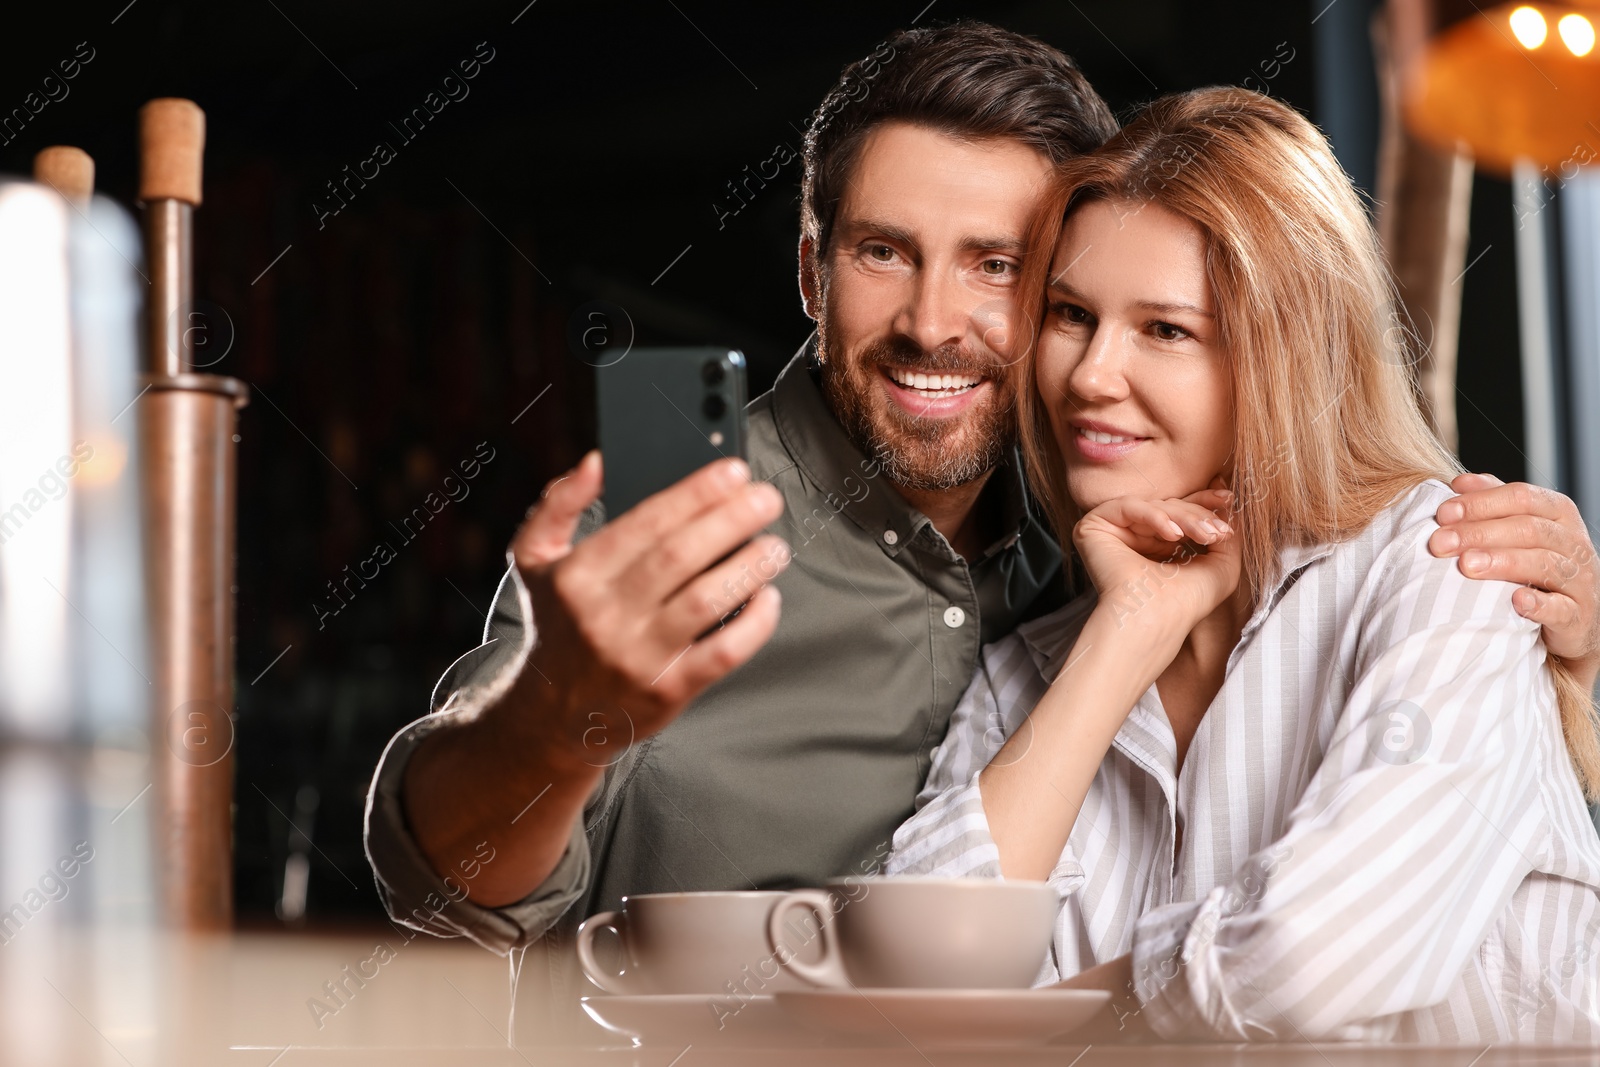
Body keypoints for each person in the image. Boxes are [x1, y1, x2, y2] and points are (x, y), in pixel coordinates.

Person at [365, 22, 1600, 969]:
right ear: (810, 268)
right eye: (881, 251)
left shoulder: (1113, 528)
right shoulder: (675, 515)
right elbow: (442, 891)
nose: (931, 325)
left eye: (999, 270)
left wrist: (1570, 682)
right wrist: (560, 715)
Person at [887, 87, 1600, 1043]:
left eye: (1166, 329)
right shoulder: (1026, 675)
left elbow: (1314, 960)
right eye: (1070, 313)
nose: (1091, 374)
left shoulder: (1444, 562)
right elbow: (906, 981)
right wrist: (1124, 635)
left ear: (1286, 355)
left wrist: (1043, 1030)